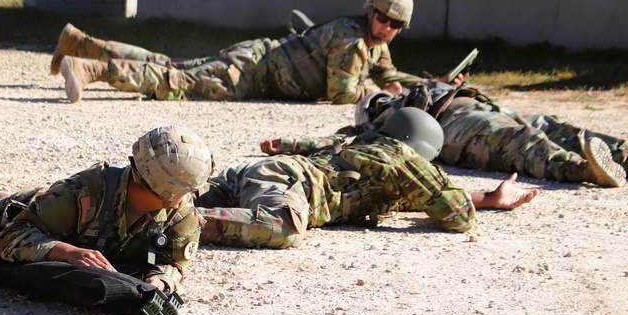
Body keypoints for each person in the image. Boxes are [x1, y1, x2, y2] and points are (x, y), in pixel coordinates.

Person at [0, 126, 213, 315]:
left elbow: (170, 262)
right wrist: (67, 253)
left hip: (48, 217)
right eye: (182, 192)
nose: (185, 198)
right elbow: (11, 237)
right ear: (162, 189)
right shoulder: (84, 192)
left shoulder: (180, 213)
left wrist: (158, 284)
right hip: (25, 213)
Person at [50, 0, 462, 104]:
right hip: (255, 72)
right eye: (384, 18)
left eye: (395, 25)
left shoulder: (370, 38)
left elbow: (388, 72)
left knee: (172, 66)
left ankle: (81, 43)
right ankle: (93, 69)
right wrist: (379, 92)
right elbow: (343, 92)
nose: (388, 27)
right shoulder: (354, 41)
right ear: (371, 11)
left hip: (258, 58)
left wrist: (430, 83)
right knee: (178, 83)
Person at [194, 108, 538, 250]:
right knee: (283, 227)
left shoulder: (371, 148)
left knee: (169, 196)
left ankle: (160, 206)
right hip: (285, 184)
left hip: (260, 178)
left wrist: (492, 197)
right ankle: (180, 223)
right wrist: (460, 196)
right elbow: (456, 215)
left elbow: (414, 197)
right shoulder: (399, 157)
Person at [354, 80, 628, 188]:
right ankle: (582, 169)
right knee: (518, 141)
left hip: (481, 107)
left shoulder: (412, 88)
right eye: (378, 100)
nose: (386, 98)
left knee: (556, 128)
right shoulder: (378, 123)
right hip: (454, 129)